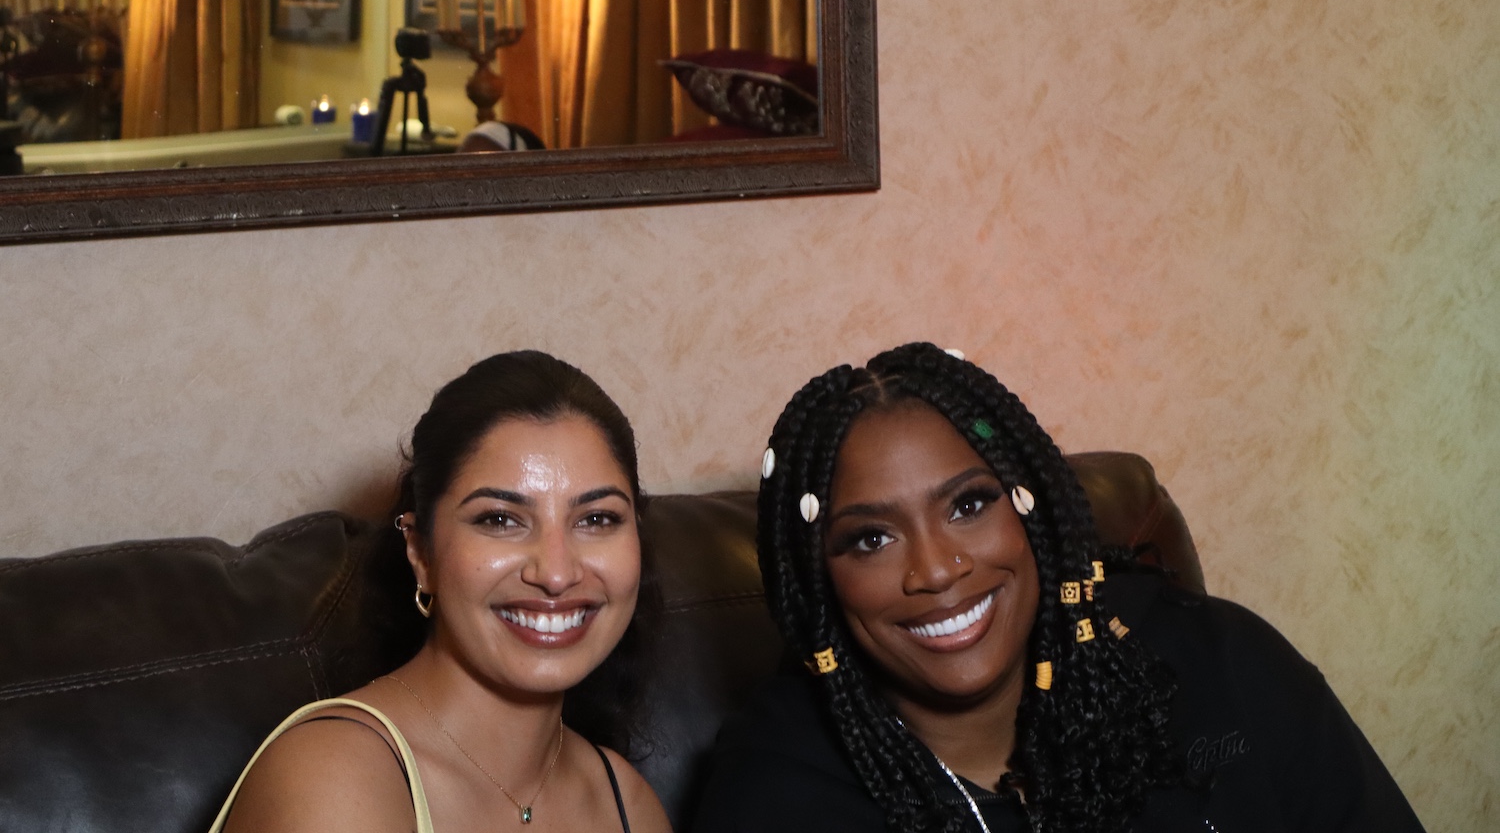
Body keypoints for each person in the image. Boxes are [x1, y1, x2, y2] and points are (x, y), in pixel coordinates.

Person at [694, 342, 1425, 833]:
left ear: (1031, 508)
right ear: (820, 582)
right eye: (871, 539)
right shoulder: (774, 793)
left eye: (969, 505)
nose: (938, 570)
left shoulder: (1218, 663)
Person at [212, 351, 670, 833]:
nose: (556, 574)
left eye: (598, 519)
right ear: (421, 554)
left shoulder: (628, 805)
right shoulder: (331, 778)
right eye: (500, 519)